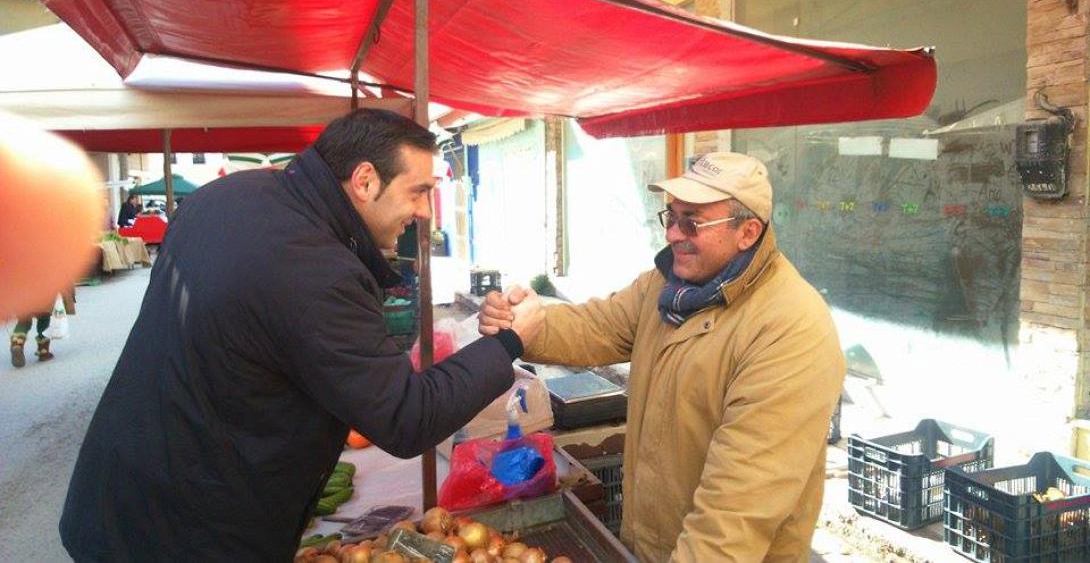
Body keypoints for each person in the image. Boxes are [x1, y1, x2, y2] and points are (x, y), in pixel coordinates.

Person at [60, 109, 526, 561]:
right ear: (364, 181)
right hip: (189, 531)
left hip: (121, 488)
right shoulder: (316, 267)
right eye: (418, 191)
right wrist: (508, 343)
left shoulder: (226, 196)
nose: (425, 211)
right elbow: (406, 418)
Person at [481, 152, 846, 562]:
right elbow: (599, 325)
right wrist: (525, 324)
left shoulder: (789, 329)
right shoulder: (668, 287)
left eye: (692, 221)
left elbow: (734, 514)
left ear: (748, 232)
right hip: (652, 544)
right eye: (671, 217)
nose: (673, 234)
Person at [9, 288, 73, 367]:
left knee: (24, 320)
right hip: (44, 292)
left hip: (22, 292)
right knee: (44, 318)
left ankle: (17, 344)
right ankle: (43, 350)